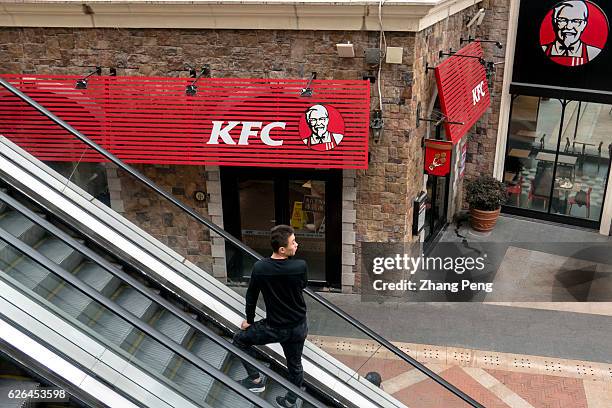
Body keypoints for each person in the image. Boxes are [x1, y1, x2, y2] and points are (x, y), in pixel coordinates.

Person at [233, 225, 309, 408]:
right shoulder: (300, 266)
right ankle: (290, 401)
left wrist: (249, 321)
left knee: (239, 340)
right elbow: (302, 285)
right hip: (298, 327)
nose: (297, 244)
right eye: (293, 242)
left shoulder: (260, 268)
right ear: (283, 249)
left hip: (274, 328)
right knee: (295, 365)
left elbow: (251, 296)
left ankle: (256, 380)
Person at [541, 0, 602, 66]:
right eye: (563, 20)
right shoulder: (544, 49)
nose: (569, 27)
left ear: (584, 24)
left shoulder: (593, 52)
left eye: (576, 21)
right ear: (555, 22)